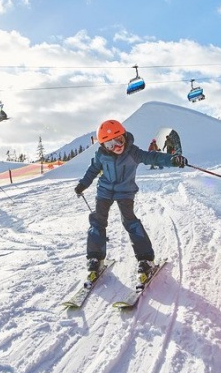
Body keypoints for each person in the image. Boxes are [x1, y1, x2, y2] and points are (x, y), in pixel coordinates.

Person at [75, 119, 186, 285]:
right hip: (104, 191)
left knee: (130, 221)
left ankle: (145, 260)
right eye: (110, 145)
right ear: (103, 146)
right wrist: (83, 184)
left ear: (124, 137)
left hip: (125, 192)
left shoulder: (132, 152)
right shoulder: (101, 155)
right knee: (98, 220)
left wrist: (172, 160)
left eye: (119, 141)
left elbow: (152, 157)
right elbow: (93, 170)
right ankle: (95, 259)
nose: (116, 147)